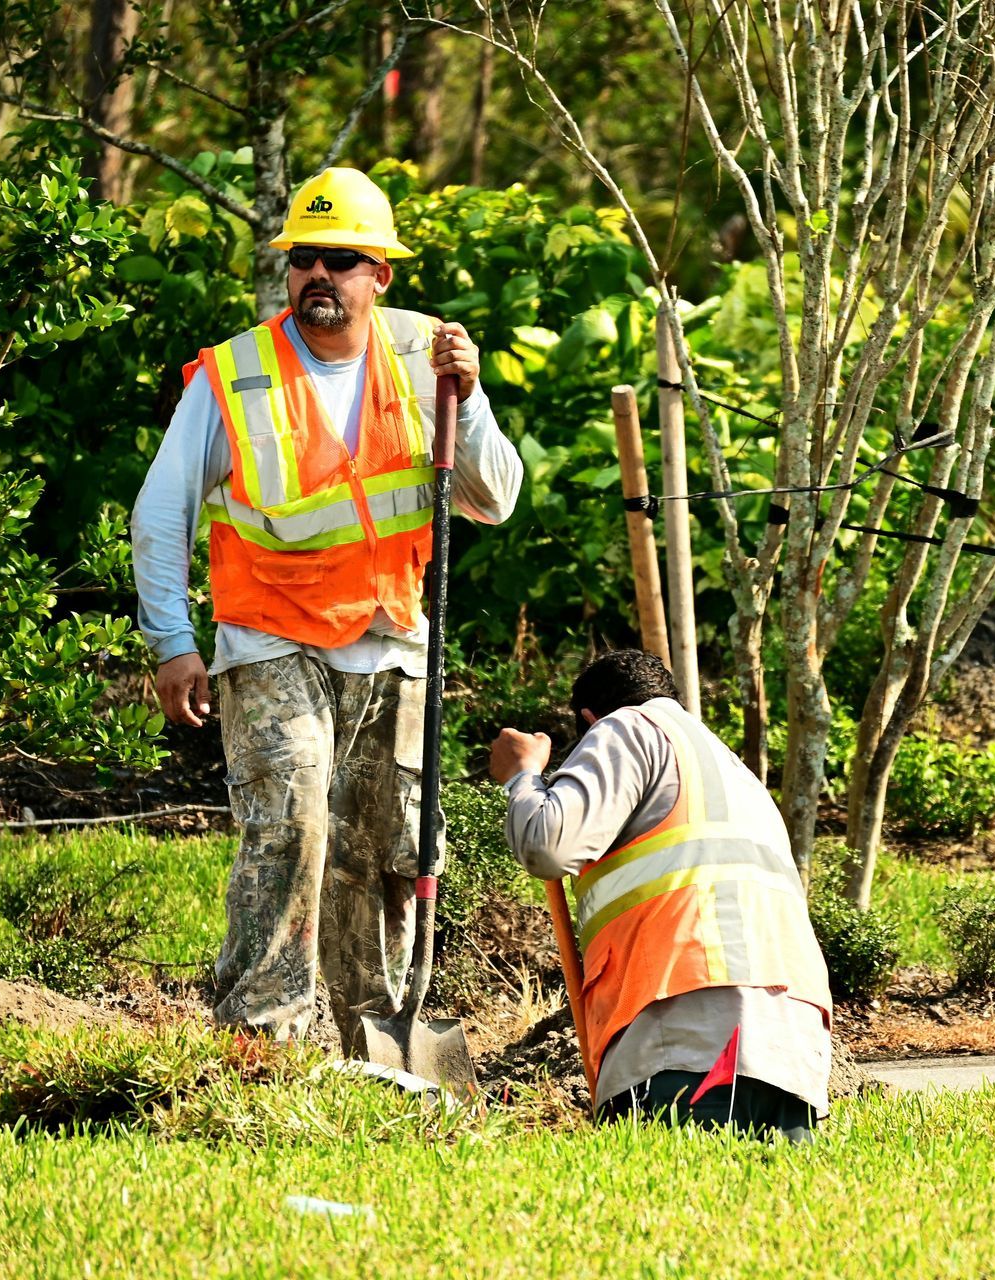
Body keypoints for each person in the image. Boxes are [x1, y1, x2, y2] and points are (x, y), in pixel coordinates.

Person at [131, 166, 523, 1052]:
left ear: (378, 275)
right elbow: (161, 514)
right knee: (293, 824)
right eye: (303, 258)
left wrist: (476, 396)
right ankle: (262, 1042)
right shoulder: (233, 374)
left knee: (389, 848)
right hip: (268, 638)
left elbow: (492, 500)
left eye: (340, 259)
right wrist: (172, 642)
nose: (318, 275)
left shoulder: (428, 358)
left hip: (390, 642)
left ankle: (374, 1041)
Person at [491, 650, 833, 1141]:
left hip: (689, 1030)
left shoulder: (626, 728)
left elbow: (548, 844)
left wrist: (522, 776)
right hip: (789, 1038)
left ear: (590, 719)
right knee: (768, 1212)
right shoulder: (731, 768)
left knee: (678, 1210)